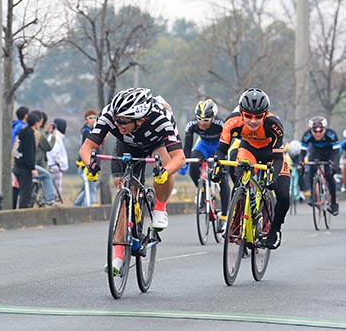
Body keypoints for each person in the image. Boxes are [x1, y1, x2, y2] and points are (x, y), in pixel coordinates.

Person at [79, 88, 186, 274]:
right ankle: (119, 256)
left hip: (155, 143)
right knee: (122, 191)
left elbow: (179, 158)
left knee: (163, 165)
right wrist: (90, 165)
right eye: (116, 119)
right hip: (127, 145)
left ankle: (160, 207)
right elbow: (86, 148)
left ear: (140, 119)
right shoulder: (109, 115)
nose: (118, 123)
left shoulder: (161, 118)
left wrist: (164, 172)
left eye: (123, 121)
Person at [213, 88, 290, 250]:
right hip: (249, 150)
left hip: (272, 155)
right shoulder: (232, 121)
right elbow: (221, 150)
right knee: (241, 181)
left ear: (265, 114)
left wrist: (273, 177)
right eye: (248, 116)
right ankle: (235, 223)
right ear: (241, 113)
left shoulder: (274, 125)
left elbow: (278, 158)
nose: (253, 121)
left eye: (258, 117)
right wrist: (218, 167)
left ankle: (275, 230)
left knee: (283, 195)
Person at [180, 99, 230, 230]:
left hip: (219, 147)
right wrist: (184, 163)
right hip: (203, 146)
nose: (202, 123)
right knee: (193, 166)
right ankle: (202, 190)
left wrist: (224, 159)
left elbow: (228, 143)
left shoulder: (221, 124)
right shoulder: (191, 124)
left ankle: (224, 217)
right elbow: (187, 147)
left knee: (223, 178)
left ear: (213, 118)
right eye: (199, 120)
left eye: (206, 121)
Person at [298, 116, 341, 215]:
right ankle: (313, 196)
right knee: (311, 169)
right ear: (311, 130)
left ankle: (334, 202)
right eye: (315, 131)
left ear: (325, 129)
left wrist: (335, 164)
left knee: (329, 175)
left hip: (330, 152)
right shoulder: (307, 135)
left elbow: (337, 152)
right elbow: (302, 152)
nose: (318, 134)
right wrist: (301, 164)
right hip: (315, 152)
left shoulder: (332, 134)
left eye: (320, 131)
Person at [13, 113, 40, 208]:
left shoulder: (23, 132)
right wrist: (32, 168)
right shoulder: (30, 134)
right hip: (25, 168)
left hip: (17, 165)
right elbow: (29, 153)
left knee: (21, 191)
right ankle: (22, 214)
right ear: (36, 123)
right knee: (26, 193)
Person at [73, 109, 99, 206]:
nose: (92, 120)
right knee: (91, 185)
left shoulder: (93, 131)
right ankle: (93, 204)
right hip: (85, 164)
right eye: (90, 118)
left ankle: (76, 205)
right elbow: (85, 149)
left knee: (86, 188)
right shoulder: (86, 131)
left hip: (90, 162)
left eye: (94, 118)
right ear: (86, 120)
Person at [32, 110, 57, 206]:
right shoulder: (40, 134)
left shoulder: (27, 131)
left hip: (28, 162)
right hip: (38, 162)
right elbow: (48, 147)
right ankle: (49, 200)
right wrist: (53, 136)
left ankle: (39, 200)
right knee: (46, 176)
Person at [11, 105, 29, 208]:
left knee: (15, 185)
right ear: (26, 116)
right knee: (18, 186)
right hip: (17, 158)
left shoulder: (14, 126)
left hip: (12, 157)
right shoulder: (22, 127)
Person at [47, 118, 68, 201]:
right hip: (55, 166)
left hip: (52, 165)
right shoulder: (57, 137)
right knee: (56, 192)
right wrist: (62, 165)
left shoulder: (54, 136)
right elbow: (55, 153)